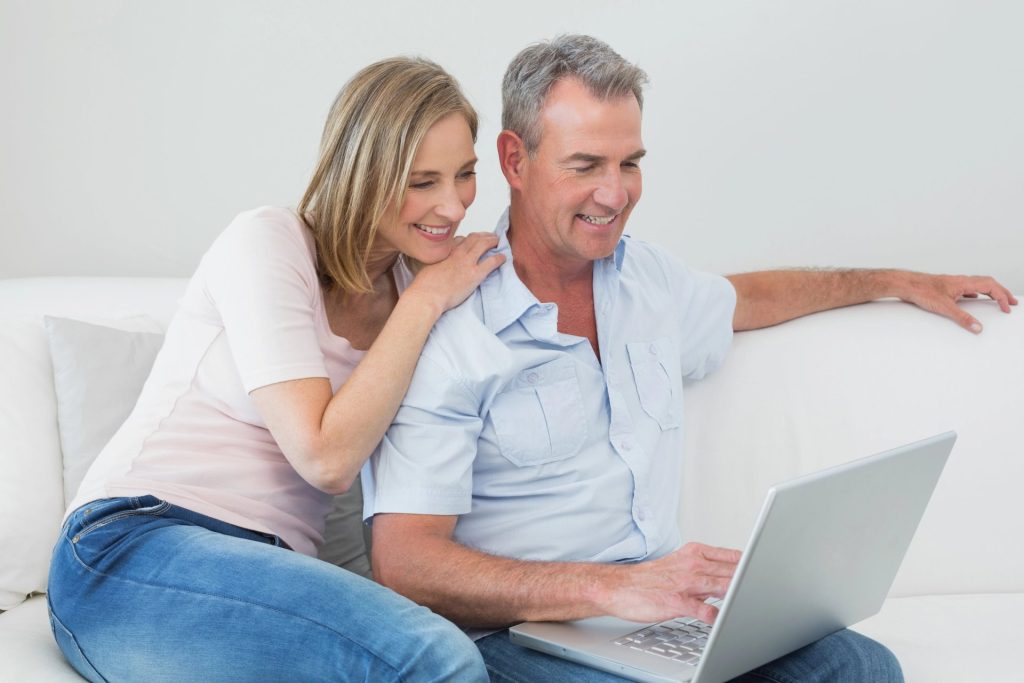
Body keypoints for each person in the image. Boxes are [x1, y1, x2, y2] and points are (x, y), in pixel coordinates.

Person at [363, 35, 1018, 682]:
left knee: (862, 668)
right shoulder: (449, 322)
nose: (615, 194)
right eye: (585, 166)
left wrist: (894, 280)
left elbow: (752, 297)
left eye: (630, 163)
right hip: (521, 638)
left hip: (658, 618)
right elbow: (404, 562)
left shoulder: (648, 281)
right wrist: (607, 589)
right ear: (515, 160)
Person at [46, 57, 503, 682]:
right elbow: (324, 457)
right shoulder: (269, 241)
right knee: (435, 656)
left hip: (273, 570)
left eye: (466, 174)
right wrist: (426, 299)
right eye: (423, 182)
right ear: (361, 174)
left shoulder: (421, 289)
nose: (452, 206)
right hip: (132, 545)